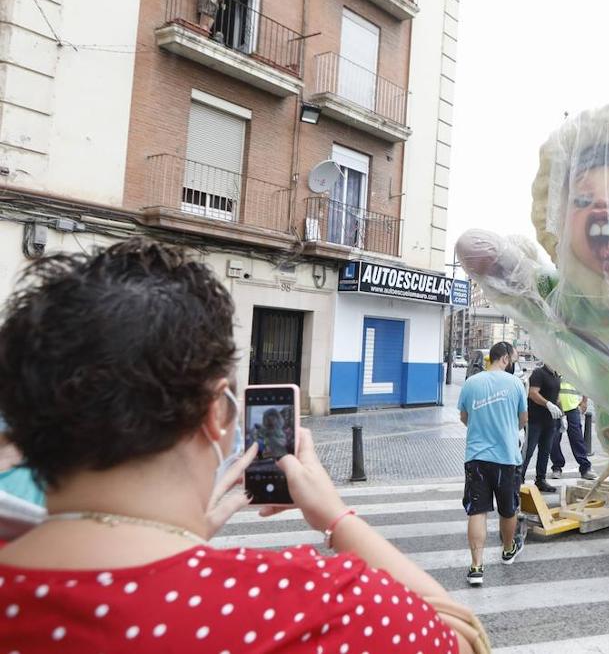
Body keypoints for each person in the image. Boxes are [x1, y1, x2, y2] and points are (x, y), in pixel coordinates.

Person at [0, 240, 484, 653]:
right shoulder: (306, 602)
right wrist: (337, 518)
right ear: (215, 413)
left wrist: (176, 541)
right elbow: (459, 637)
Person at [458, 340, 528, 588]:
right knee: (507, 509)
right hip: (506, 457)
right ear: (506, 359)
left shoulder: (471, 383)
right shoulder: (516, 384)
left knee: (477, 511)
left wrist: (481, 430)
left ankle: (476, 567)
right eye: (515, 359)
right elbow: (523, 420)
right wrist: (507, 430)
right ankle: (508, 550)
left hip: (476, 457)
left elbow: (464, 416)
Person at [522, 362, 564, 493]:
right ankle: (518, 478)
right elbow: (533, 393)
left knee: (545, 451)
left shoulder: (556, 376)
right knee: (528, 450)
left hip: (550, 421)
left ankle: (540, 479)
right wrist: (548, 404)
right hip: (535, 420)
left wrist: (562, 415)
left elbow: (557, 398)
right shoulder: (539, 373)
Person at [549, 379, 596, 480]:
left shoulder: (573, 365)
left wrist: (584, 401)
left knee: (577, 439)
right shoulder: (555, 367)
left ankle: (585, 467)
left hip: (572, 407)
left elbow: (584, 382)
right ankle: (557, 467)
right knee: (554, 439)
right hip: (556, 407)